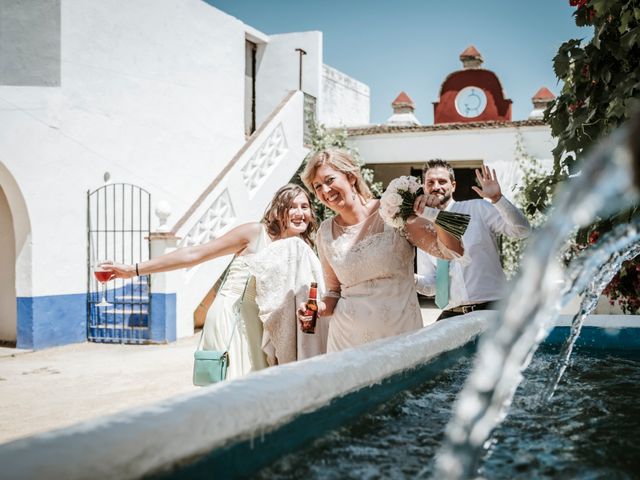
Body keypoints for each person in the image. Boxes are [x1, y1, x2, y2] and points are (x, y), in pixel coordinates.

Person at [102, 184, 326, 380]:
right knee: (238, 390)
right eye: (292, 207)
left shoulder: (302, 248)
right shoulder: (255, 234)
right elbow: (194, 254)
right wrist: (133, 270)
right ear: (278, 211)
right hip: (233, 316)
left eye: (304, 206)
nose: (299, 213)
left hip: (263, 324)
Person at [299, 149, 464, 352]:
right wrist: (317, 309)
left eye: (330, 180)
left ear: (350, 177)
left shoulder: (394, 211)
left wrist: (436, 215)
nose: (325, 190)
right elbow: (334, 292)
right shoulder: (325, 232)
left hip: (400, 340)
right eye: (317, 187)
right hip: (346, 344)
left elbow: (453, 251)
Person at [415, 159, 531, 320]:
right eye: (430, 182)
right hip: (452, 314)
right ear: (424, 187)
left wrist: (498, 198)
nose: (436, 187)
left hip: (492, 308)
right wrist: (407, 277)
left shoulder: (478, 208)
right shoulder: (423, 230)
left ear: (453, 185)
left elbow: (522, 230)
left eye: (442, 181)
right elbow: (431, 285)